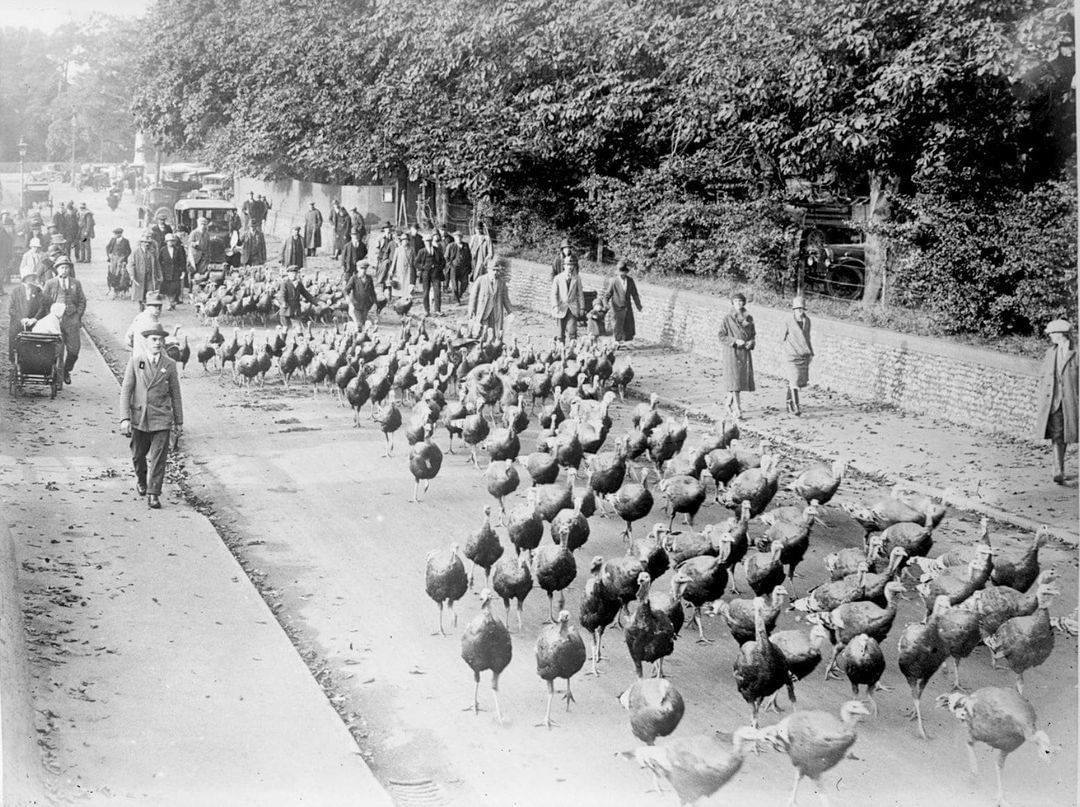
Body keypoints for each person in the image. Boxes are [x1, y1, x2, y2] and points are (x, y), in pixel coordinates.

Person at [119, 323, 183, 510]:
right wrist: (124, 418)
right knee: (138, 456)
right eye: (154, 339)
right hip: (139, 417)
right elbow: (126, 391)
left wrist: (179, 421)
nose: (158, 343)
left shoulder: (169, 364)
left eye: (161, 340)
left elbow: (175, 393)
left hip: (161, 417)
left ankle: (154, 493)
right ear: (146, 341)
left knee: (158, 458)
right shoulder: (136, 361)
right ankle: (141, 479)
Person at [1033, 319, 1078, 484]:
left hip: (1072, 402)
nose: (1050, 336)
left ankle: (1059, 469)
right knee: (1057, 435)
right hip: (1054, 401)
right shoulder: (1050, 352)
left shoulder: (1076, 352)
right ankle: (1058, 470)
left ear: (1061, 334)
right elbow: (1043, 376)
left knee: (1067, 435)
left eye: (1052, 333)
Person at [40, 257, 86, 384]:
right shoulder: (50, 283)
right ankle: (57, 380)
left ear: (69, 269)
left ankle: (67, 370)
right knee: (57, 351)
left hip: (72, 321)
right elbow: (44, 302)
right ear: (57, 269)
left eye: (66, 267)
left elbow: (82, 300)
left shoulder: (76, 283)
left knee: (74, 350)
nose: (64, 270)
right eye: (62, 267)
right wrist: (50, 317)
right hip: (56, 322)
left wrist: (78, 315)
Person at [717, 292, 755, 419]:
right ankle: (738, 410)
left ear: (744, 303)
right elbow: (721, 336)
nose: (738, 304)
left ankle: (727, 405)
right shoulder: (727, 318)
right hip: (732, 353)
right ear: (732, 303)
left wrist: (751, 342)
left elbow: (753, 334)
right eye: (736, 302)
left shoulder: (749, 318)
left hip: (744, 353)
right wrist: (734, 341)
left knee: (737, 381)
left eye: (740, 301)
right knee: (735, 381)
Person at [781, 296, 814, 416]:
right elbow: (782, 337)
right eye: (797, 308)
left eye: (802, 309)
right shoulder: (788, 320)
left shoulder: (807, 321)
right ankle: (796, 407)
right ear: (793, 309)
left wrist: (811, 352)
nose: (800, 311)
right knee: (794, 379)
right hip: (791, 354)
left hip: (803, 354)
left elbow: (807, 338)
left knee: (797, 380)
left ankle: (789, 402)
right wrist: (787, 349)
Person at [8, 264, 46, 360]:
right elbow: (11, 309)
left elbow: (42, 307)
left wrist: (34, 319)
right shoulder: (15, 291)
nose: (32, 280)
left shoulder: (38, 291)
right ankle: (16, 364)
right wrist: (21, 319)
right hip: (18, 324)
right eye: (29, 278)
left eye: (33, 278)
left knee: (33, 347)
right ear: (24, 279)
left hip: (33, 324)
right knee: (16, 345)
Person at [602, 260, 643, 348]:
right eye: (620, 272)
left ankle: (628, 343)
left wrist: (638, 305)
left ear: (626, 272)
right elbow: (607, 295)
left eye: (623, 272)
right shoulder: (614, 281)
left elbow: (635, 294)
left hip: (627, 307)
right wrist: (606, 304)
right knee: (618, 325)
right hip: (617, 307)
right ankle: (617, 342)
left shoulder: (630, 281)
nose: (622, 274)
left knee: (629, 325)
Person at [467, 258, 512, 338]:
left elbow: (505, 298)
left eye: (497, 270)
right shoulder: (480, 280)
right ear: (488, 270)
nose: (495, 272)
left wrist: (510, 311)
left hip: (496, 312)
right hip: (483, 311)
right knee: (481, 331)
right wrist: (471, 310)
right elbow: (473, 296)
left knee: (495, 332)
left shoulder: (501, 282)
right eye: (493, 270)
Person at [550, 259, 585, 342]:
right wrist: (555, 306)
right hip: (561, 308)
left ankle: (572, 352)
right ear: (564, 266)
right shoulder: (558, 278)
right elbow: (553, 294)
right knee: (560, 334)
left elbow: (580, 294)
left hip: (572, 308)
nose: (569, 267)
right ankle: (561, 351)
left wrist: (582, 308)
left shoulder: (577, 278)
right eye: (567, 265)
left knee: (572, 332)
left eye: (571, 265)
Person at [414, 233, 444, 316]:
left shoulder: (437, 250)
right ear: (424, 242)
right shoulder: (421, 251)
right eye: (427, 241)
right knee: (425, 292)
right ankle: (426, 310)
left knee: (437, 291)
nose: (428, 242)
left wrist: (439, 268)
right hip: (426, 274)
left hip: (436, 274)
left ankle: (437, 310)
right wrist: (423, 267)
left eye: (430, 241)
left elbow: (443, 261)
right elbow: (416, 263)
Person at [132, 231, 162, 308]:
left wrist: (160, 275)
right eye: (144, 242)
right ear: (141, 243)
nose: (147, 244)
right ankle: (141, 305)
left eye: (148, 242)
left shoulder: (152, 252)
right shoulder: (136, 252)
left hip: (150, 275)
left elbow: (157, 264)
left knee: (150, 291)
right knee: (141, 291)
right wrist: (132, 275)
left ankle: (149, 306)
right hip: (140, 275)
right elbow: (131, 264)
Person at [344, 260, 378, 328]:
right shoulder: (354, 278)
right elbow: (346, 290)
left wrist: (375, 303)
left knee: (367, 324)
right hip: (357, 306)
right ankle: (350, 325)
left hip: (366, 306)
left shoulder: (369, 278)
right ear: (358, 268)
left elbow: (372, 292)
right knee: (359, 325)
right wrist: (349, 302)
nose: (363, 270)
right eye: (361, 268)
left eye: (365, 268)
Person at [159, 233, 187, 309]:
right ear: (166, 242)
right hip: (166, 272)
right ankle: (169, 303)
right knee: (167, 289)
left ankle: (172, 301)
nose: (170, 242)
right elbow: (159, 261)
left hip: (176, 272)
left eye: (172, 241)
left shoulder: (178, 250)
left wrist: (183, 271)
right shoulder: (162, 250)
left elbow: (182, 261)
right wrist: (160, 271)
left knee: (174, 288)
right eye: (169, 241)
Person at [446, 231, 473, 303]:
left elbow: (469, 257)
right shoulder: (451, 246)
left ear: (461, 237)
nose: (458, 239)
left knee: (465, 283)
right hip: (454, 268)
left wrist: (469, 266)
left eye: (460, 237)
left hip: (464, 268)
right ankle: (457, 300)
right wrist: (450, 265)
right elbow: (446, 257)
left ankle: (459, 295)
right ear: (454, 238)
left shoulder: (466, 245)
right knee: (454, 285)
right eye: (457, 237)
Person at [106, 227, 132, 299]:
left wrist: (124, 258)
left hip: (121, 260)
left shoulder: (125, 241)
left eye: (117, 234)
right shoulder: (113, 240)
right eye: (115, 234)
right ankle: (114, 290)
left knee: (121, 274)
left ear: (121, 234)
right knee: (112, 274)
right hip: (113, 260)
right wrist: (109, 255)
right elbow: (107, 248)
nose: (116, 235)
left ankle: (121, 290)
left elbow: (129, 250)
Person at [390, 230, 414, 297]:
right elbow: (394, 261)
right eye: (403, 240)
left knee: (407, 283)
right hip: (400, 269)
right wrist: (392, 270)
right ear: (401, 241)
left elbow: (414, 261)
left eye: (406, 240)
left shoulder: (411, 249)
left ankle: (405, 295)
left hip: (408, 269)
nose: (405, 241)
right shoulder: (398, 249)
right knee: (400, 283)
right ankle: (399, 296)